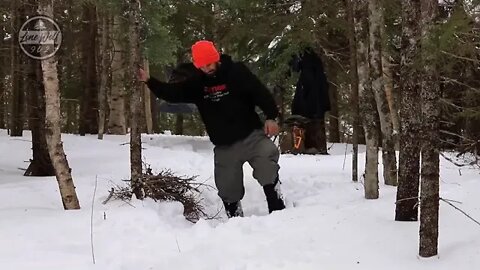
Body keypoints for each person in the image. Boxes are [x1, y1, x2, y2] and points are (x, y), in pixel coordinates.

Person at [137, 40, 286, 218]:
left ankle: (277, 207)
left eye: (209, 63)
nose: (207, 68)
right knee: (227, 186)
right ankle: (235, 219)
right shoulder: (197, 83)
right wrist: (149, 80)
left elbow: (260, 93)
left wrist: (271, 116)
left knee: (266, 164)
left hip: (251, 135)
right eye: (202, 66)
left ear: (216, 58)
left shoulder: (237, 72)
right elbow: (172, 93)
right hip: (225, 144)